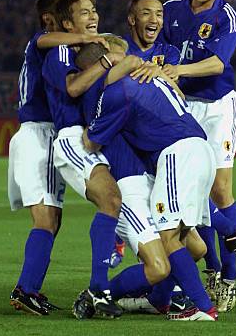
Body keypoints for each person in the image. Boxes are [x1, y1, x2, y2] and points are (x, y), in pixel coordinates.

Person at [40, 0, 144, 319]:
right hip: (73, 139)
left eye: (94, 10)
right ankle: (98, 289)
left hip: (95, 139)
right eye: (84, 13)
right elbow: (72, 88)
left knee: (120, 203)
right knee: (111, 199)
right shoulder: (60, 51)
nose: (93, 16)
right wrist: (106, 60)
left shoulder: (91, 48)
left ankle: (105, 286)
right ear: (67, 24)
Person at [83, 74, 219, 321]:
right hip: (202, 150)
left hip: (176, 155)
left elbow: (91, 141)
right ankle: (159, 299)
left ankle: (202, 307)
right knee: (192, 243)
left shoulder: (118, 92)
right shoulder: (154, 80)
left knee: (168, 241)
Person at [8, 0, 109, 316]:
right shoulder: (43, 43)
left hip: (34, 135)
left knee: (52, 218)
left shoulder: (54, 50)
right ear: (54, 20)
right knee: (46, 219)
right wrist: (89, 40)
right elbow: (45, 41)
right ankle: (25, 289)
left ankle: (29, 288)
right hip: (38, 135)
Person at [158, 0, 236, 311]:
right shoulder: (170, 10)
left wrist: (179, 70)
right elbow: (158, 50)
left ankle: (230, 275)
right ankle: (210, 266)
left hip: (217, 108)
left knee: (221, 189)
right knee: (193, 190)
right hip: (181, 107)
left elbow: (217, 64)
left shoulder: (228, 16)